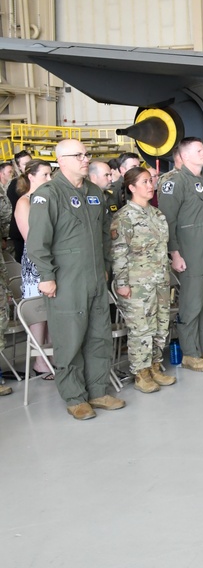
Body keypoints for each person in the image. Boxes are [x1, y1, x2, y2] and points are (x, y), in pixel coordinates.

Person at [27, 141, 126, 420]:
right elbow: (38, 242)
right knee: (69, 339)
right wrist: (46, 277)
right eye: (79, 155)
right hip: (65, 279)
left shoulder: (95, 192)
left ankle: (98, 390)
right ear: (61, 160)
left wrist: (105, 266)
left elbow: (105, 233)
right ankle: (74, 396)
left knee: (98, 336)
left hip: (95, 275)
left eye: (86, 154)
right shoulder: (49, 194)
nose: (85, 159)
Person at [157, 137, 203, 371]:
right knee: (192, 303)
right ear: (184, 156)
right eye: (199, 150)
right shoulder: (174, 182)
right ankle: (190, 351)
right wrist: (174, 253)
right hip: (189, 252)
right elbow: (168, 220)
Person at [111, 167, 175, 393]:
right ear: (132, 187)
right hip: (137, 284)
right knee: (141, 329)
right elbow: (118, 253)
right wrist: (122, 283)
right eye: (145, 182)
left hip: (159, 280)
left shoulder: (157, 214)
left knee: (160, 324)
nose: (151, 185)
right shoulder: (124, 218)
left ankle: (156, 365)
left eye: (151, 181)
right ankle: (141, 372)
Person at [14, 159, 53, 379]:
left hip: (52, 258)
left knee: (51, 313)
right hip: (36, 261)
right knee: (39, 314)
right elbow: (31, 237)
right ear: (31, 177)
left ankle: (49, 354)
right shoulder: (24, 202)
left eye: (50, 175)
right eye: (45, 175)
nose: (49, 179)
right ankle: (40, 359)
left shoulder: (48, 199)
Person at [8, 150, 34, 261]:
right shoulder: (15, 184)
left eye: (30, 162)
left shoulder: (39, 181)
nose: (29, 166)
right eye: (24, 164)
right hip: (20, 231)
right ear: (19, 167)